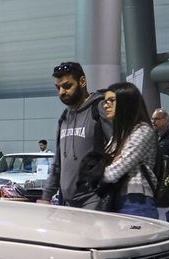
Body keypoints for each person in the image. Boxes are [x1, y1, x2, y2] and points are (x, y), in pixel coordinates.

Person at [39, 62, 112, 208]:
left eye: (67, 86)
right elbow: (57, 162)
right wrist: (46, 196)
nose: (61, 92)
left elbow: (118, 149)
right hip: (67, 202)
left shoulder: (100, 108)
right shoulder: (64, 118)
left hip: (95, 200)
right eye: (58, 88)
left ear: (82, 81)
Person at [98, 82, 158, 218]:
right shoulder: (120, 134)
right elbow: (106, 164)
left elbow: (115, 171)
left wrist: (93, 176)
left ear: (126, 102)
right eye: (105, 101)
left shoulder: (142, 131)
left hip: (136, 202)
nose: (106, 105)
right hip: (117, 198)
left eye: (111, 100)